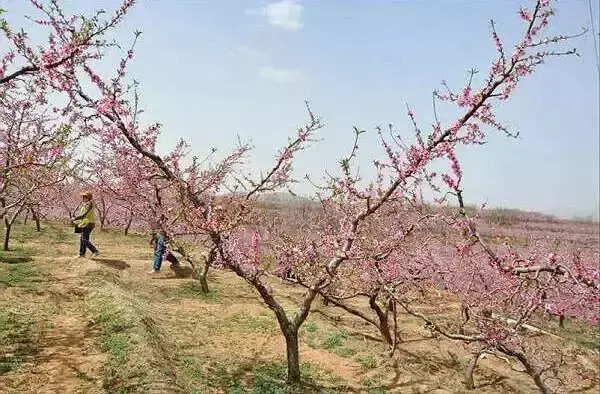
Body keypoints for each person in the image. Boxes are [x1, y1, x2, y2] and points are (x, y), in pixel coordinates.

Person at [72, 191, 100, 258]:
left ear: (88, 198)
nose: (83, 198)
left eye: (85, 197)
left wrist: (74, 219)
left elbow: (83, 215)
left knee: (83, 239)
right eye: (83, 197)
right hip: (85, 223)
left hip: (88, 224)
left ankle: (95, 251)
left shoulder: (89, 206)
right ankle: (82, 254)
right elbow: (82, 215)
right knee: (83, 238)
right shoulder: (86, 205)